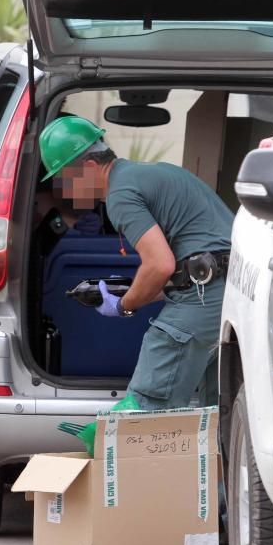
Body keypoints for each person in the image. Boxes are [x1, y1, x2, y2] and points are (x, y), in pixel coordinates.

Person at [39, 115, 234, 410]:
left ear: (90, 168)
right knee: (217, 411)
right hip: (230, 295)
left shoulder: (120, 195)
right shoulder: (150, 174)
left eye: (65, 179)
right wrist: (135, 291)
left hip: (202, 300)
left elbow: (159, 265)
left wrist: (123, 305)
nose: (64, 192)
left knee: (145, 413)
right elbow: (179, 270)